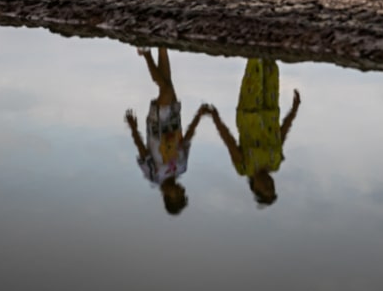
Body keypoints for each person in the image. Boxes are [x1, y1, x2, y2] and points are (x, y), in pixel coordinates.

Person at [124, 47, 212, 215]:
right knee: (168, 83)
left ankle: (147, 55)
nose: (181, 191)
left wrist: (133, 128)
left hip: (157, 125)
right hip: (174, 121)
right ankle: (161, 47)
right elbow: (186, 140)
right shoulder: (182, 167)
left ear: (167, 197)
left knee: (166, 89)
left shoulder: (154, 175)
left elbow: (143, 151)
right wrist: (198, 116)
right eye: (182, 193)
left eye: (178, 195)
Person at [204, 58, 301, 206]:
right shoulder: (275, 163)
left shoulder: (244, 167)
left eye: (266, 188)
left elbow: (229, 141)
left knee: (255, 67)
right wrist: (294, 110)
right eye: (272, 187)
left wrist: (216, 118)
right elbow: (281, 135)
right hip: (271, 110)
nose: (270, 184)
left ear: (255, 188)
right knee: (271, 68)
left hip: (249, 112)